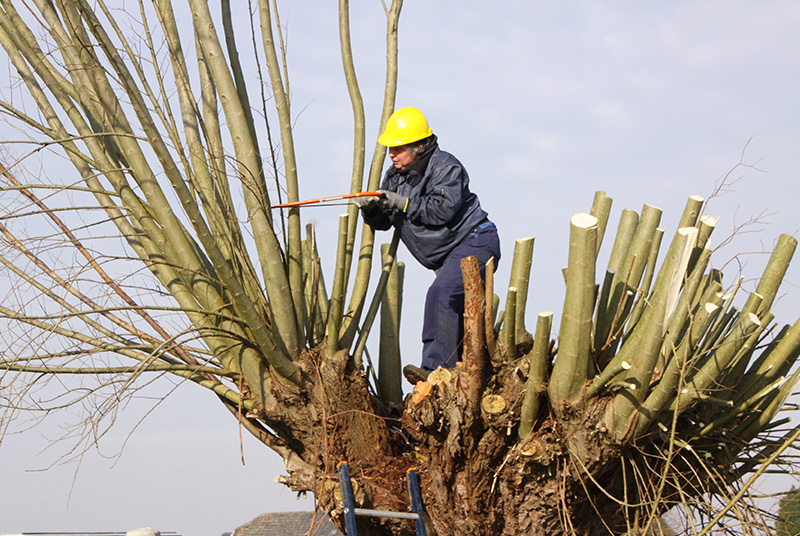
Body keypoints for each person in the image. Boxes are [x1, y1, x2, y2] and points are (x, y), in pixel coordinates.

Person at [354, 107, 501, 384]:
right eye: (390, 149)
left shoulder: (446, 167)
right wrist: (371, 210)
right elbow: (385, 222)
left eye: (398, 148)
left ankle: (436, 372)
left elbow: (441, 211)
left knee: (441, 294)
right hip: (449, 257)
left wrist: (402, 202)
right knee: (457, 318)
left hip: (475, 241)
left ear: (419, 146)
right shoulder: (395, 176)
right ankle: (475, 377)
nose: (392, 154)